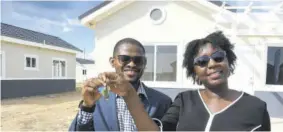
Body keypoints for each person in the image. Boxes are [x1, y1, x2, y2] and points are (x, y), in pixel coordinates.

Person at [98, 31, 271, 131]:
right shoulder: (184, 102)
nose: (211, 64)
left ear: (229, 61)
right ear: (194, 71)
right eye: (202, 62)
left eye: (218, 57)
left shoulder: (256, 108)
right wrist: (129, 94)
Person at [68, 38, 172, 131]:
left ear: (144, 63)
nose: (132, 64)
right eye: (124, 59)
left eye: (138, 60)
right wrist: (87, 107)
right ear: (112, 62)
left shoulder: (162, 102)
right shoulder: (98, 99)